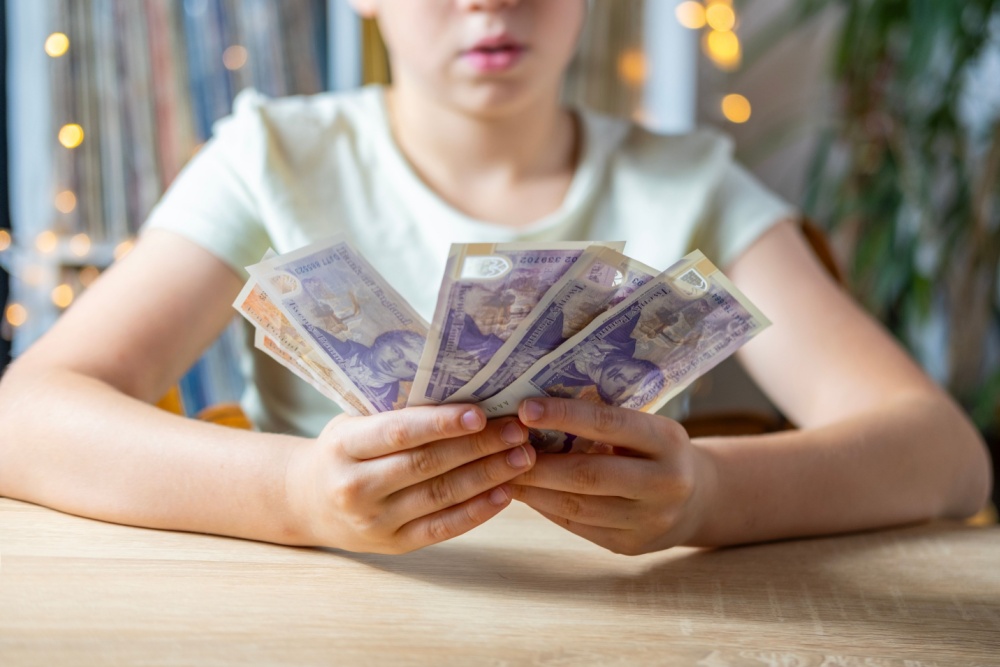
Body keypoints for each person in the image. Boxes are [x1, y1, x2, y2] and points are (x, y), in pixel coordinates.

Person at [0, 0, 991, 556]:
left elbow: (944, 456)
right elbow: (26, 415)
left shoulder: (688, 184)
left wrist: (709, 496)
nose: (492, 1)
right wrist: (298, 493)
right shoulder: (269, 156)